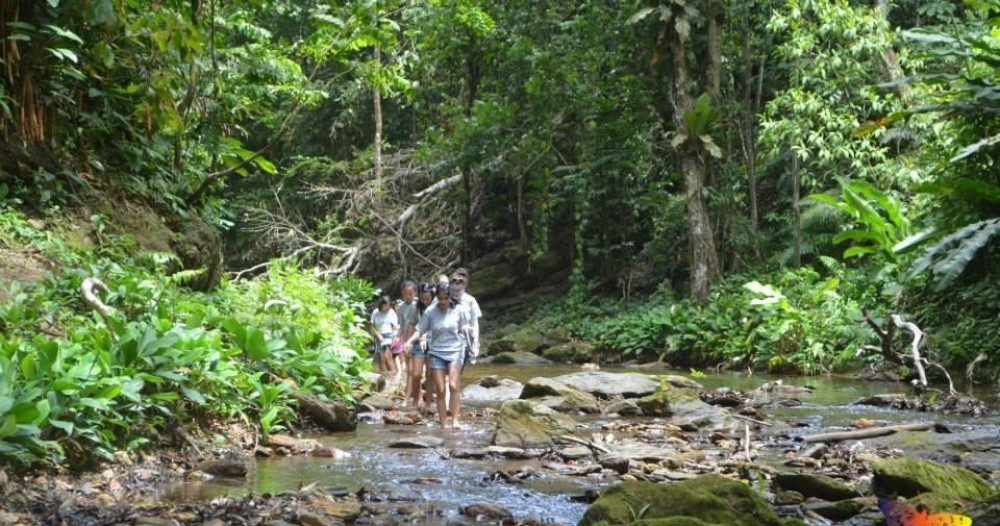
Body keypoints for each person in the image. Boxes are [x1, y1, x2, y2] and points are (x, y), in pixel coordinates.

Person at [404, 283, 471, 429]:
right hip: (436, 353)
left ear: (450, 297)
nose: (443, 302)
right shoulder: (430, 312)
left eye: (445, 298)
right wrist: (409, 341)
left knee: (453, 385)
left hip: (455, 351)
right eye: (440, 298)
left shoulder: (458, 309)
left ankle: (454, 419)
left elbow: (463, 327)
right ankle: (443, 424)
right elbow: (420, 330)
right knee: (440, 390)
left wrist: (466, 330)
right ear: (437, 297)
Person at [410, 282, 435, 413]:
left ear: (432, 295)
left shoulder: (437, 307)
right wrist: (405, 342)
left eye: (427, 297)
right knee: (416, 374)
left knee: (430, 375)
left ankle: (428, 404)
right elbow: (411, 324)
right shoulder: (415, 308)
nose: (425, 300)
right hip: (418, 343)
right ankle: (416, 401)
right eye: (422, 297)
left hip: (433, 343)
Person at [449, 267, 482, 364]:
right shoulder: (443, 298)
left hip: (463, 342)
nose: (457, 283)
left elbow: (474, 323)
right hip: (446, 340)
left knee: (456, 372)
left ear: (466, 282)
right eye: (455, 280)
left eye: (461, 281)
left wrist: (475, 341)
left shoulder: (471, 300)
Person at [396, 281, 419, 401]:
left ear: (415, 292)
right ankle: (409, 397)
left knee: (417, 372)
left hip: (418, 340)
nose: (408, 296)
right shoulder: (401, 307)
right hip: (406, 341)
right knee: (410, 370)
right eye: (405, 294)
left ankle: (417, 397)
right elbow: (400, 325)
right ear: (402, 293)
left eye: (410, 293)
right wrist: (397, 338)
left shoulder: (418, 305)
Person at [369, 295, 398, 376]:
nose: (386, 308)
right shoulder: (375, 312)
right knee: (381, 358)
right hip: (378, 336)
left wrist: (395, 337)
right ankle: (385, 377)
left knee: (388, 357)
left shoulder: (391, 312)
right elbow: (372, 326)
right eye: (384, 306)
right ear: (380, 305)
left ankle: (394, 375)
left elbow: (396, 326)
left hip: (389, 335)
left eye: (387, 306)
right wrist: (378, 335)